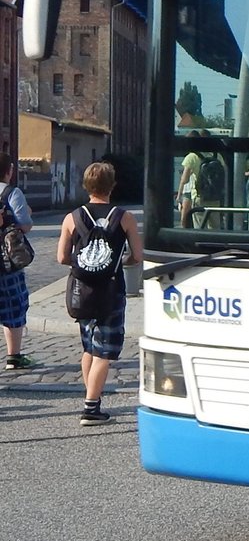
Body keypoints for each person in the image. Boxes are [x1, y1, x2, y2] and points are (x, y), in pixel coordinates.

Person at [57, 161, 144, 426]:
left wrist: (84, 262)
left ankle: (91, 398)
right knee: (104, 353)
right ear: (112, 186)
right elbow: (137, 256)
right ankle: (91, 409)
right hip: (111, 291)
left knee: (89, 347)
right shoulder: (124, 217)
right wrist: (118, 262)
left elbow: (61, 257)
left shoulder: (72, 217)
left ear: (86, 186)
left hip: (81, 291)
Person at [0, 153, 35, 371]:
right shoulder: (12, 193)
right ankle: (14, 357)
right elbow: (25, 225)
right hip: (7, 261)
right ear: (9, 170)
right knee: (14, 305)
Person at [177, 130, 202, 227]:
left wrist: (179, 195)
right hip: (214, 195)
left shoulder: (191, 157)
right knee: (213, 225)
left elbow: (184, 180)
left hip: (196, 193)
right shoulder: (213, 154)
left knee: (197, 223)